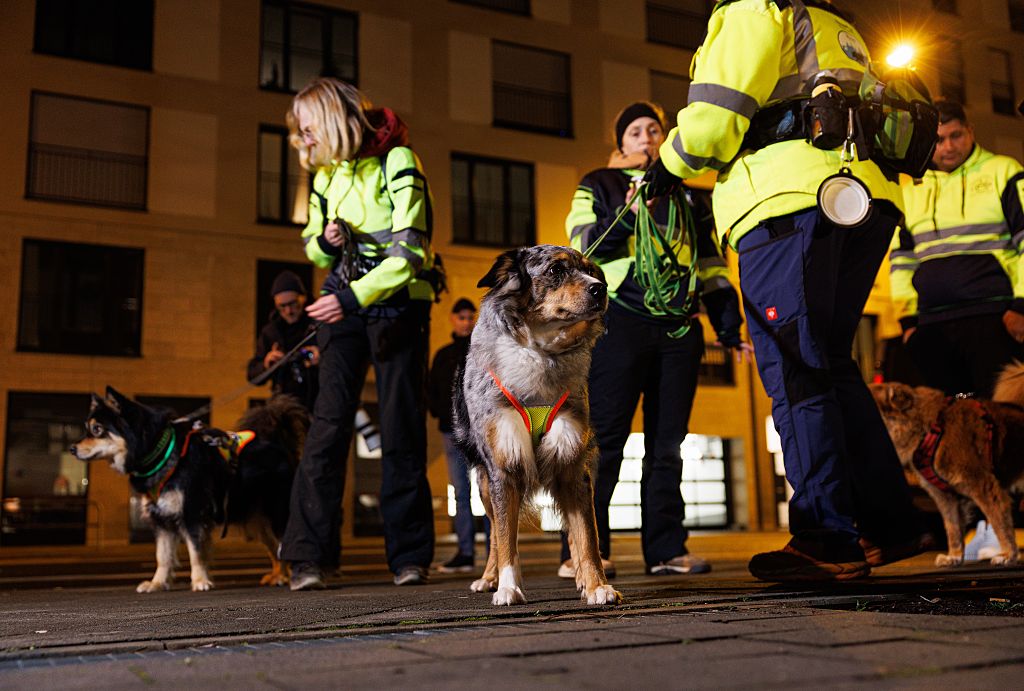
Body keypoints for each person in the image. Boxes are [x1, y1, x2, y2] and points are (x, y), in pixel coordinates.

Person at [643, 0, 930, 581]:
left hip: (787, 202)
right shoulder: (836, 24)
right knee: (830, 364)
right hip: (861, 200)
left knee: (797, 367)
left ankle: (827, 536)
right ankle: (886, 526)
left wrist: (667, 164)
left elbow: (713, 123)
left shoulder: (753, 10)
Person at [561, 101, 749, 578]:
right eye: (636, 132)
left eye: (654, 131)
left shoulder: (690, 199)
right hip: (619, 324)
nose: (646, 138)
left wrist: (729, 328)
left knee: (668, 444)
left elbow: (711, 266)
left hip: (679, 328)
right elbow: (583, 245)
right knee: (604, 440)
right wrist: (631, 209)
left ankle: (666, 550)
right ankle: (585, 551)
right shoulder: (598, 184)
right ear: (621, 143)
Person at [281, 77, 436, 590]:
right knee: (326, 429)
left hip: (397, 308)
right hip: (344, 306)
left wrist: (349, 297)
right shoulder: (325, 177)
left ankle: (409, 558)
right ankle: (308, 559)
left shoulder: (399, 162)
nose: (303, 141)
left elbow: (411, 254)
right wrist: (326, 243)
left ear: (331, 119)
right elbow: (311, 247)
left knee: (399, 430)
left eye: (307, 130)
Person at [889, 100, 1024, 559]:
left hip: (993, 315)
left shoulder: (1004, 171)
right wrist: (907, 320)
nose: (947, 147)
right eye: (939, 139)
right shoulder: (911, 188)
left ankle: (996, 527)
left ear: (970, 131)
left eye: (956, 136)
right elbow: (901, 259)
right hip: (933, 326)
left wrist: (1021, 304)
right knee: (949, 438)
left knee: (1001, 427)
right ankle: (966, 531)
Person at [427, 297, 489, 573]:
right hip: (451, 431)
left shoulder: (482, 350)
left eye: (469, 317)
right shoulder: (443, 355)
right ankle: (465, 552)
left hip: (480, 431)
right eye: (461, 317)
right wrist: (443, 414)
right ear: (453, 319)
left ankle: (494, 551)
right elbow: (432, 390)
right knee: (461, 493)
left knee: (489, 489)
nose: (466, 322)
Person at [247, 270, 320, 411]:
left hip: (318, 401)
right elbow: (252, 376)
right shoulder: (270, 331)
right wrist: (267, 364)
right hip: (283, 405)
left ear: (303, 298)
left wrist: (321, 358)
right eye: (282, 306)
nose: (288, 311)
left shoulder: (319, 324)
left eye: (293, 304)